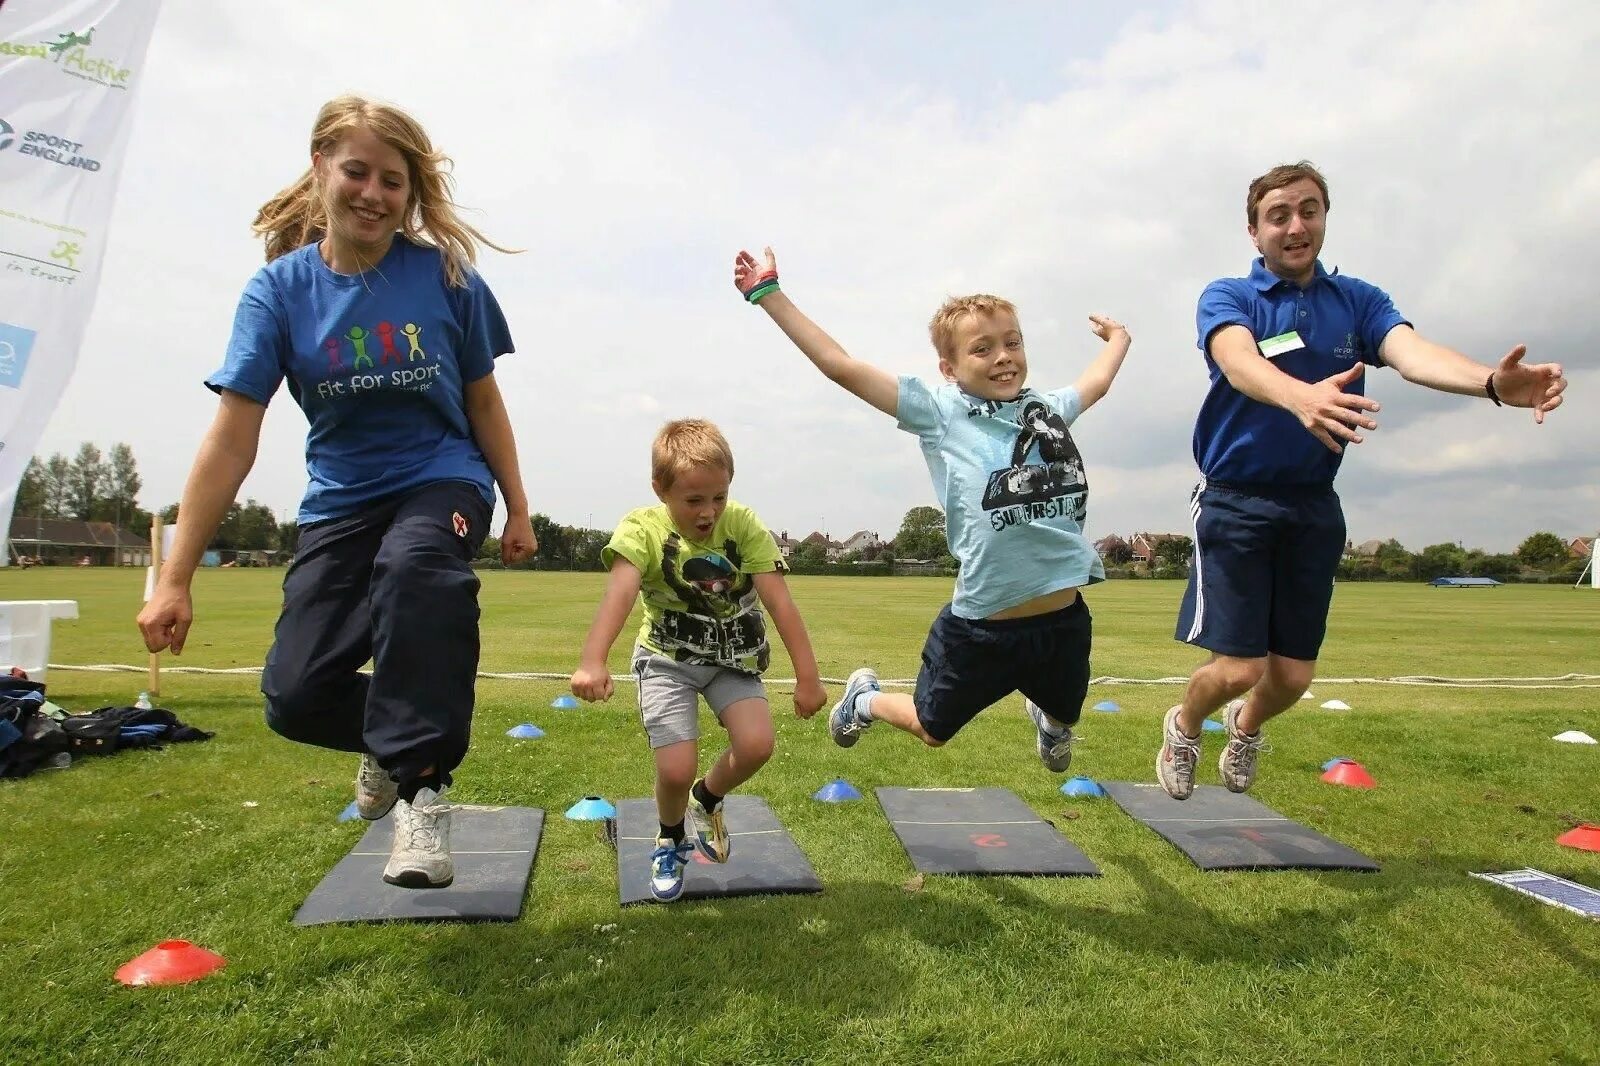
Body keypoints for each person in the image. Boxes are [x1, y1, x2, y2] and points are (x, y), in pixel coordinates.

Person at [136, 95, 537, 888]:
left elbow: (485, 401)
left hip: (442, 476)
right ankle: (388, 745)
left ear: (411, 194)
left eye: (394, 181)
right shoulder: (278, 295)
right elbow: (230, 438)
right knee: (294, 695)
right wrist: (175, 576)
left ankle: (422, 794)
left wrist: (518, 506)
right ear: (321, 168)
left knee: (417, 567)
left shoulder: (447, 277)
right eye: (357, 171)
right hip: (342, 502)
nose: (374, 194)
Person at [1158, 160, 1568, 800]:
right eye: (1279, 215)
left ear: (1324, 217)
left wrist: (1491, 383)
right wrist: (1300, 398)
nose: (1297, 226)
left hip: (1314, 506)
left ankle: (1244, 729)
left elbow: (1412, 351)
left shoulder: (1358, 301)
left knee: (1290, 678)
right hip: (1236, 500)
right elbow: (1237, 362)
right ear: (1253, 230)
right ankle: (1184, 726)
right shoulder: (1227, 297)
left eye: (1310, 210)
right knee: (1240, 666)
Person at [733, 247, 1130, 769]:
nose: (1004, 356)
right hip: (983, 626)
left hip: (1063, 620)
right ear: (949, 367)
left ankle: (1048, 716)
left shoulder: (1047, 410)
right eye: (982, 349)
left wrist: (1120, 339)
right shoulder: (942, 413)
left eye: (1013, 343)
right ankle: (865, 699)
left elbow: (1097, 382)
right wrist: (769, 295)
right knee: (931, 728)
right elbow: (841, 367)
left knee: (1067, 712)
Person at [570, 419, 825, 902]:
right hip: (668, 659)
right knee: (673, 769)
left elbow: (780, 603)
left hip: (733, 659)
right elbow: (621, 592)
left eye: (719, 497)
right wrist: (592, 658)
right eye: (694, 501)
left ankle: (707, 797)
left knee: (756, 746)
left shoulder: (744, 525)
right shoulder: (642, 528)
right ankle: (670, 836)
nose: (709, 513)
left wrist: (807, 678)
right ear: (660, 490)